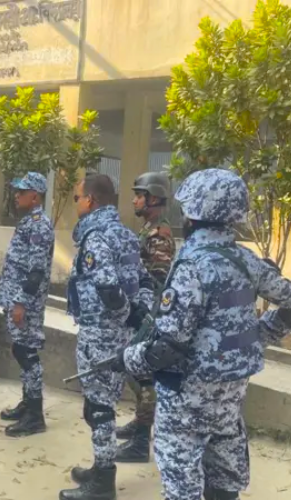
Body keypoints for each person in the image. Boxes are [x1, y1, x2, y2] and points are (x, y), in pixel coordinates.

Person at [113, 169, 291, 500]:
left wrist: (128, 358)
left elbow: (169, 345)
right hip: (230, 396)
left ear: (193, 213)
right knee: (224, 480)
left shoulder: (192, 265)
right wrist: (260, 334)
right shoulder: (247, 260)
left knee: (182, 485)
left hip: (187, 398)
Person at [61, 174, 153, 500]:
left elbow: (108, 287)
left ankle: (103, 483)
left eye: (77, 198)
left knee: (99, 408)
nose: (76, 204)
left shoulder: (96, 237)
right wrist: (138, 313)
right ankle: (100, 468)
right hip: (121, 333)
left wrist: (125, 313)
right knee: (102, 405)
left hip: (100, 334)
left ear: (91, 200)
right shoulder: (125, 234)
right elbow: (145, 280)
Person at [116, 171, 176, 463]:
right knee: (134, 370)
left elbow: (158, 280)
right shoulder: (148, 230)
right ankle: (141, 422)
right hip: (143, 310)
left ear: (153, 198)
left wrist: (143, 314)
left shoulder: (159, 235)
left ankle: (141, 441)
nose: (134, 200)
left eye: (139, 196)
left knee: (140, 373)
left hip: (149, 315)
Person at [0, 172, 55, 437]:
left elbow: (35, 272)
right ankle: (28, 403)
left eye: (22, 191)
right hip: (17, 298)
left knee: (26, 353)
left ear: (35, 196)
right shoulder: (29, 222)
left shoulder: (39, 225)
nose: (16, 195)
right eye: (16, 190)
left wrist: (20, 303)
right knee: (21, 349)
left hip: (26, 302)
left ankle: (35, 416)